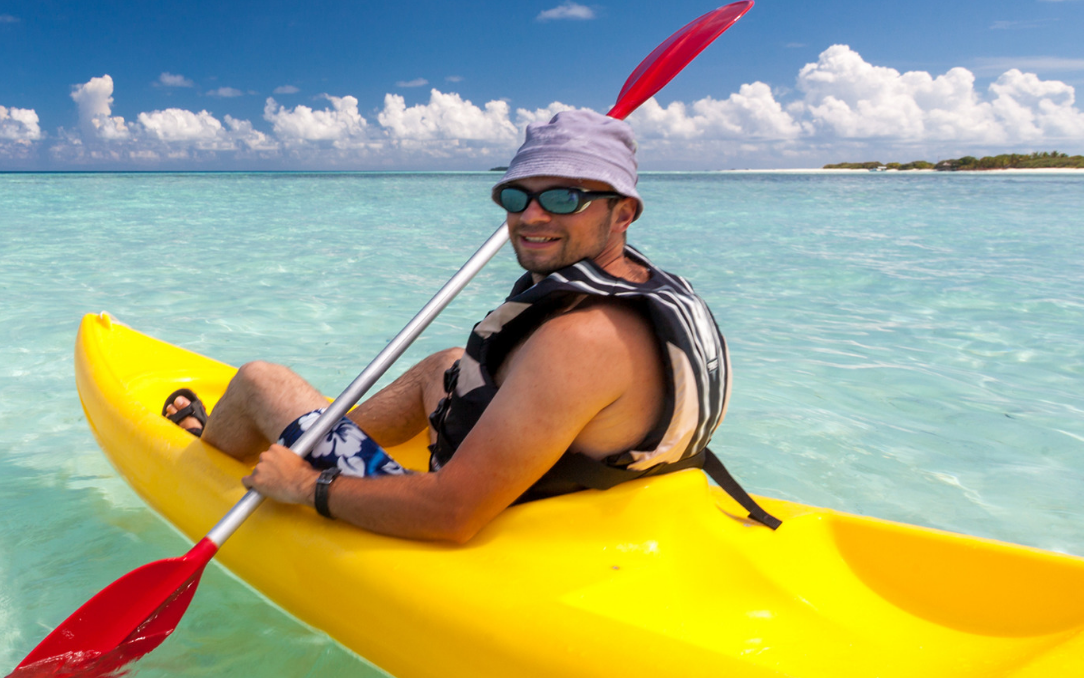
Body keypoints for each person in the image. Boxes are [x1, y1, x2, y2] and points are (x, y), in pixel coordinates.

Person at [161, 108, 777, 541]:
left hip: (497, 517)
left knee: (260, 379)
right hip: (592, 483)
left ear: (623, 213)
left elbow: (452, 515)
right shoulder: (652, 288)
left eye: (563, 197)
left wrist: (304, 487)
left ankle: (213, 454)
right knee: (450, 364)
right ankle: (319, 435)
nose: (531, 216)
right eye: (517, 196)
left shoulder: (581, 341)